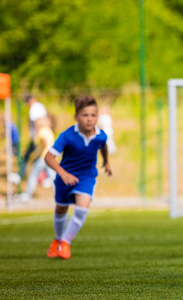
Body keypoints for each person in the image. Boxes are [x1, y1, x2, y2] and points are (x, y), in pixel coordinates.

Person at [44, 95, 112, 259]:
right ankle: (57, 239)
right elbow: (48, 157)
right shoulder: (66, 136)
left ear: (97, 116)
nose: (89, 119)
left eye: (93, 115)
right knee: (61, 208)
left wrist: (106, 162)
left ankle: (65, 243)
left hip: (87, 177)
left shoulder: (101, 135)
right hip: (64, 177)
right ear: (76, 117)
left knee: (81, 209)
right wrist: (63, 174)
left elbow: (103, 146)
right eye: (85, 115)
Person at [19, 117, 56, 201]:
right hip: (50, 157)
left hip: (43, 157)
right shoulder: (49, 130)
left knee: (33, 175)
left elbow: (45, 143)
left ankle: (27, 195)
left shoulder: (42, 131)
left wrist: (38, 154)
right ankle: (59, 194)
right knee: (52, 177)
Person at [20, 94, 47, 178]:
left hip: (37, 137)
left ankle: (23, 174)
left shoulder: (34, 108)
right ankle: (43, 177)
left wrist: (35, 136)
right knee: (40, 157)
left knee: (34, 157)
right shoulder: (41, 106)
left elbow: (36, 122)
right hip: (43, 134)